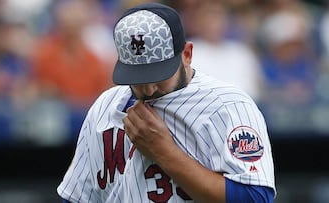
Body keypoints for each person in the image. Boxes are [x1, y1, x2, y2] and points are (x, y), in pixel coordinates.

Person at [57, 2, 276, 203]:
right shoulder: (105, 106)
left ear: (187, 54)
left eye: (158, 74)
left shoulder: (229, 105)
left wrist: (164, 151)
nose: (149, 89)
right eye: (138, 77)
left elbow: (255, 197)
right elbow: (77, 197)